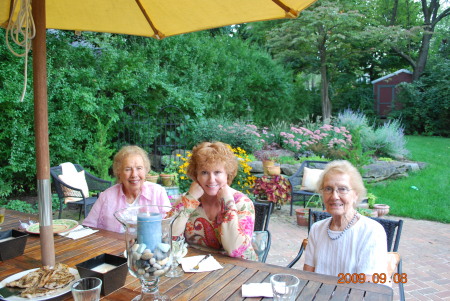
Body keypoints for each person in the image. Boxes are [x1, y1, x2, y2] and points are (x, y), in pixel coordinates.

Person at [170, 142, 257, 260]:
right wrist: (190, 200)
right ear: (196, 175)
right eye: (204, 172)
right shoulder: (186, 200)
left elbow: (234, 249)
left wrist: (227, 204)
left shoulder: (242, 203)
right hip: (196, 267)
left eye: (217, 172)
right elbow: (170, 238)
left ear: (227, 174)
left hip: (239, 270)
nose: (211, 180)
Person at [303, 160, 388, 281]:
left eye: (342, 189)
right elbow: (308, 277)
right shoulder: (317, 229)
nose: (334, 196)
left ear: (356, 195)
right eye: (328, 189)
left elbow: (366, 287)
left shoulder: (371, 231)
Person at [83, 145, 171, 232]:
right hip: (113, 245)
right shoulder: (107, 196)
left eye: (139, 168)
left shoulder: (158, 193)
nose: (134, 175)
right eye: (128, 169)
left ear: (145, 170)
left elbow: (169, 227)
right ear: (119, 172)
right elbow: (88, 227)